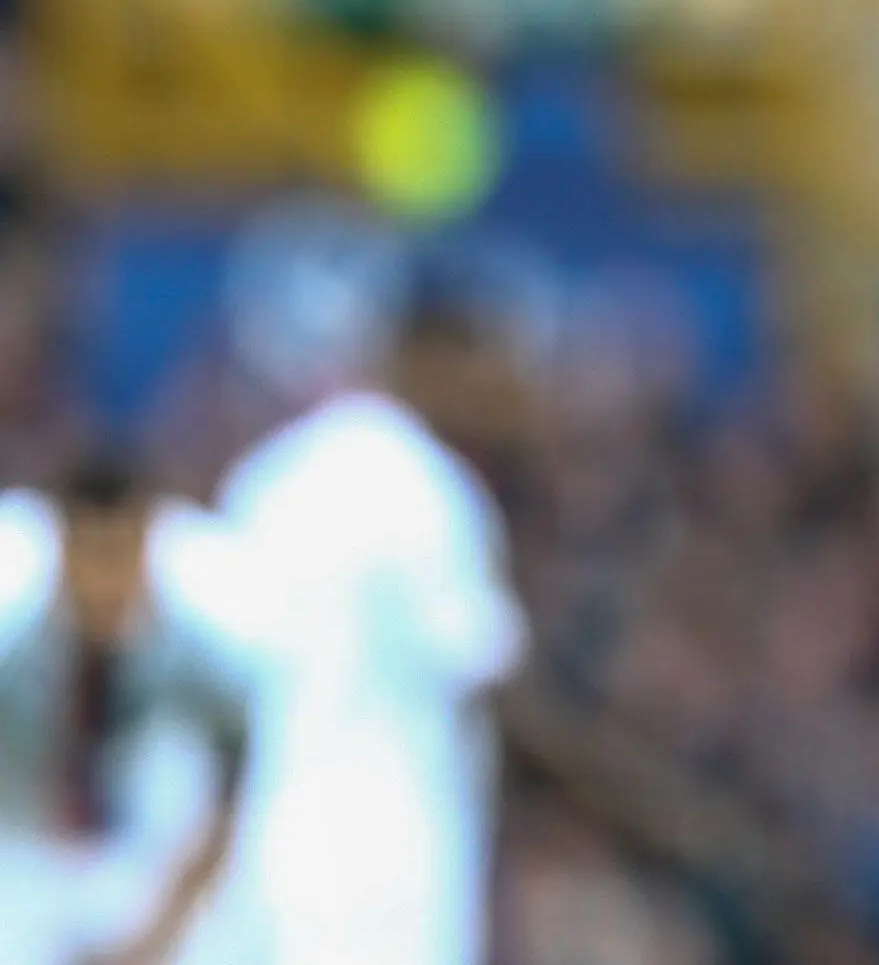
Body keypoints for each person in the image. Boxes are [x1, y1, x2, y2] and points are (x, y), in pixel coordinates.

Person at [209, 220, 526, 965]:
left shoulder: (259, 481)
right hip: (391, 851)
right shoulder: (421, 481)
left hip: (272, 842)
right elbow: (481, 662)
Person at [0, 455, 258, 965]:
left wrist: (161, 930)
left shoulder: (198, 652)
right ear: (62, 548)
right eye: (93, 555)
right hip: (23, 866)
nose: (107, 581)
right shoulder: (13, 644)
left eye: (124, 554)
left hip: (139, 870)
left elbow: (229, 799)